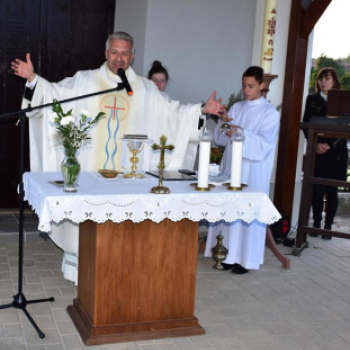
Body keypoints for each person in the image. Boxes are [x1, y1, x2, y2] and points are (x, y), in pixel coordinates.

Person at [11, 31, 225, 283]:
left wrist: (201, 110)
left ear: (132, 57)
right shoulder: (85, 82)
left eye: (124, 53)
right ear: (106, 53)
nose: (119, 58)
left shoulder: (144, 89)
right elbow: (55, 96)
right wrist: (34, 79)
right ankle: (85, 272)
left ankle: (123, 273)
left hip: (130, 176)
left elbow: (172, 113)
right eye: (114, 52)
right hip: (91, 170)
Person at [204, 66, 280, 274]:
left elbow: (264, 145)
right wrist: (223, 122)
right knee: (229, 210)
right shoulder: (237, 108)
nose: (246, 90)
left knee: (246, 213)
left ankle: (245, 259)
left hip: (252, 171)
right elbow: (220, 139)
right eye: (243, 86)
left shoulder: (269, 113)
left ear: (261, 85)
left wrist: (239, 132)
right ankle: (226, 254)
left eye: (251, 86)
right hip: (232, 167)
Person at [303, 67, 348, 239]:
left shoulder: (342, 100)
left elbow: (344, 125)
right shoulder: (312, 99)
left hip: (337, 151)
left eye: (327, 78)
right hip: (317, 150)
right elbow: (306, 124)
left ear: (334, 81)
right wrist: (316, 144)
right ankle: (315, 225)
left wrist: (329, 144)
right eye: (321, 78)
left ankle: (328, 227)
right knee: (316, 187)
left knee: (332, 190)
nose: (323, 81)